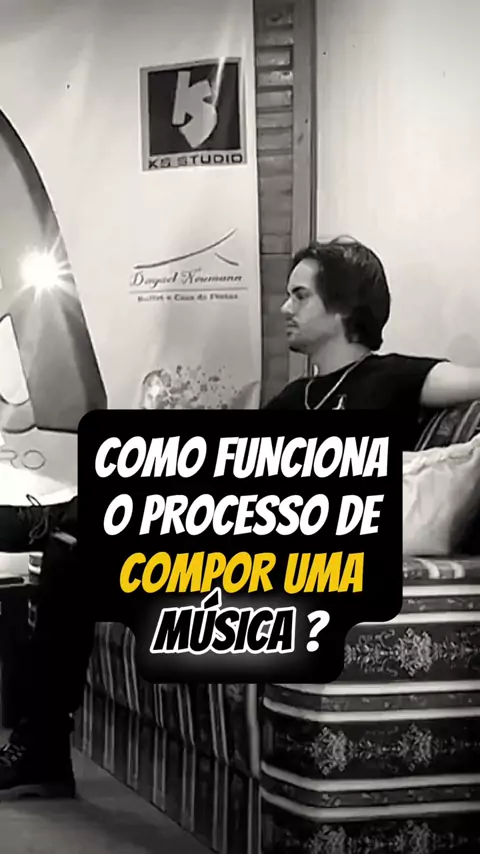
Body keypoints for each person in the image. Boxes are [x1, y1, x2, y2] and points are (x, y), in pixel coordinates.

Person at [1, 235, 480, 800]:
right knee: (73, 557)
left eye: (300, 296)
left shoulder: (395, 376)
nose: (284, 308)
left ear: (344, 308)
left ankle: (49, 521)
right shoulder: (295, 398)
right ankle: (42, 747)